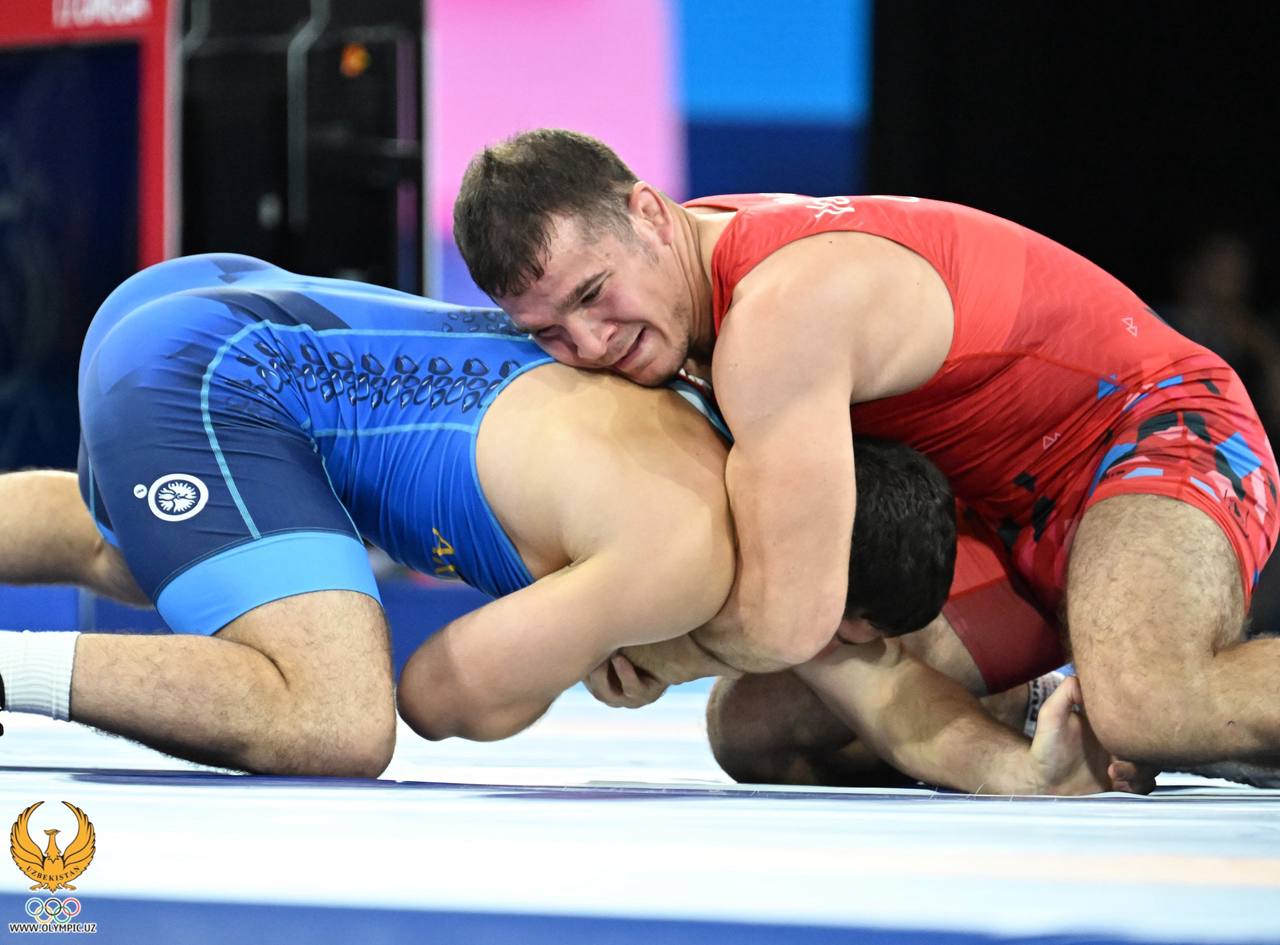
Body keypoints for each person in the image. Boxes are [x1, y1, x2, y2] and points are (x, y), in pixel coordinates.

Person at [0, 253, 1113, 792]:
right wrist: (604, 640)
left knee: (137, 551)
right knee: (334, 720)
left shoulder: (753, 418)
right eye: (846, 633)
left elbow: (873, 683)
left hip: (225, 305)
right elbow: (435, 697)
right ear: (835, 604)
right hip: (212, 378)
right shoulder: (692, 552)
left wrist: (1027, 774)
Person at [452, 128, 1280, 772]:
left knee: (1149, 701)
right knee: (755, 730)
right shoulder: (684, 276)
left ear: (649, 215)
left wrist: (636, 642)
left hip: (1151, 431)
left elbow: (787, 620)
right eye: (550, 331)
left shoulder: (778, 314)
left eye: (594, 294)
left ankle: (1154, 702)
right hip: (994, 517)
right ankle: (1071, 709)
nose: (592, 342)